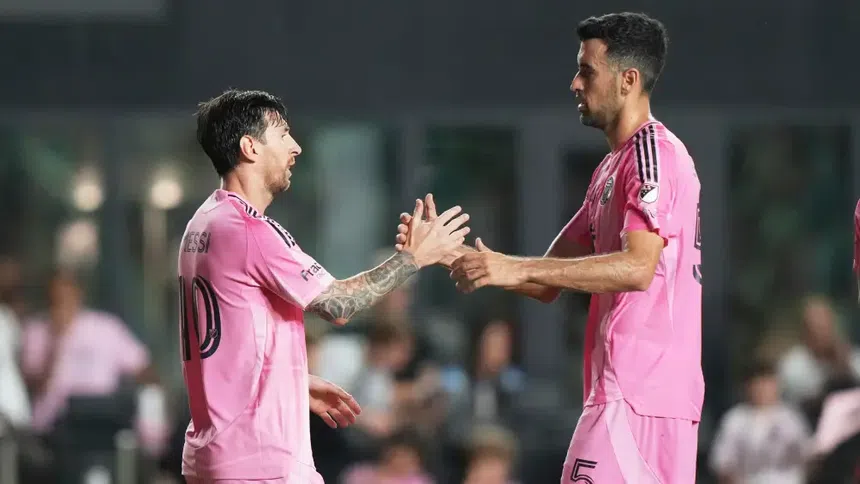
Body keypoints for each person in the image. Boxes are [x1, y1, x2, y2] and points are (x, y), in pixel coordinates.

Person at [397, 12, 701, 483]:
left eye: (587, 71)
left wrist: (512, 268)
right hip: (641, 397)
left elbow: (638, 267)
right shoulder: (610, 170)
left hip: (639, 393)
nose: (575, 83)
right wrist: (445, 253)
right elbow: (548, 278)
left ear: (628, 80)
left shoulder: (652, 154)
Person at [181, 89, 470, 484]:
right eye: (283, 134)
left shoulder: (203, 223)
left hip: (220, 453)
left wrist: (290, 383)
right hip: (259, 460)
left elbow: (230, 338)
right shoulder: (249, 230)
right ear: (250, 147)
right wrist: (414, 257)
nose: (295, 147)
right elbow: (338, 305)